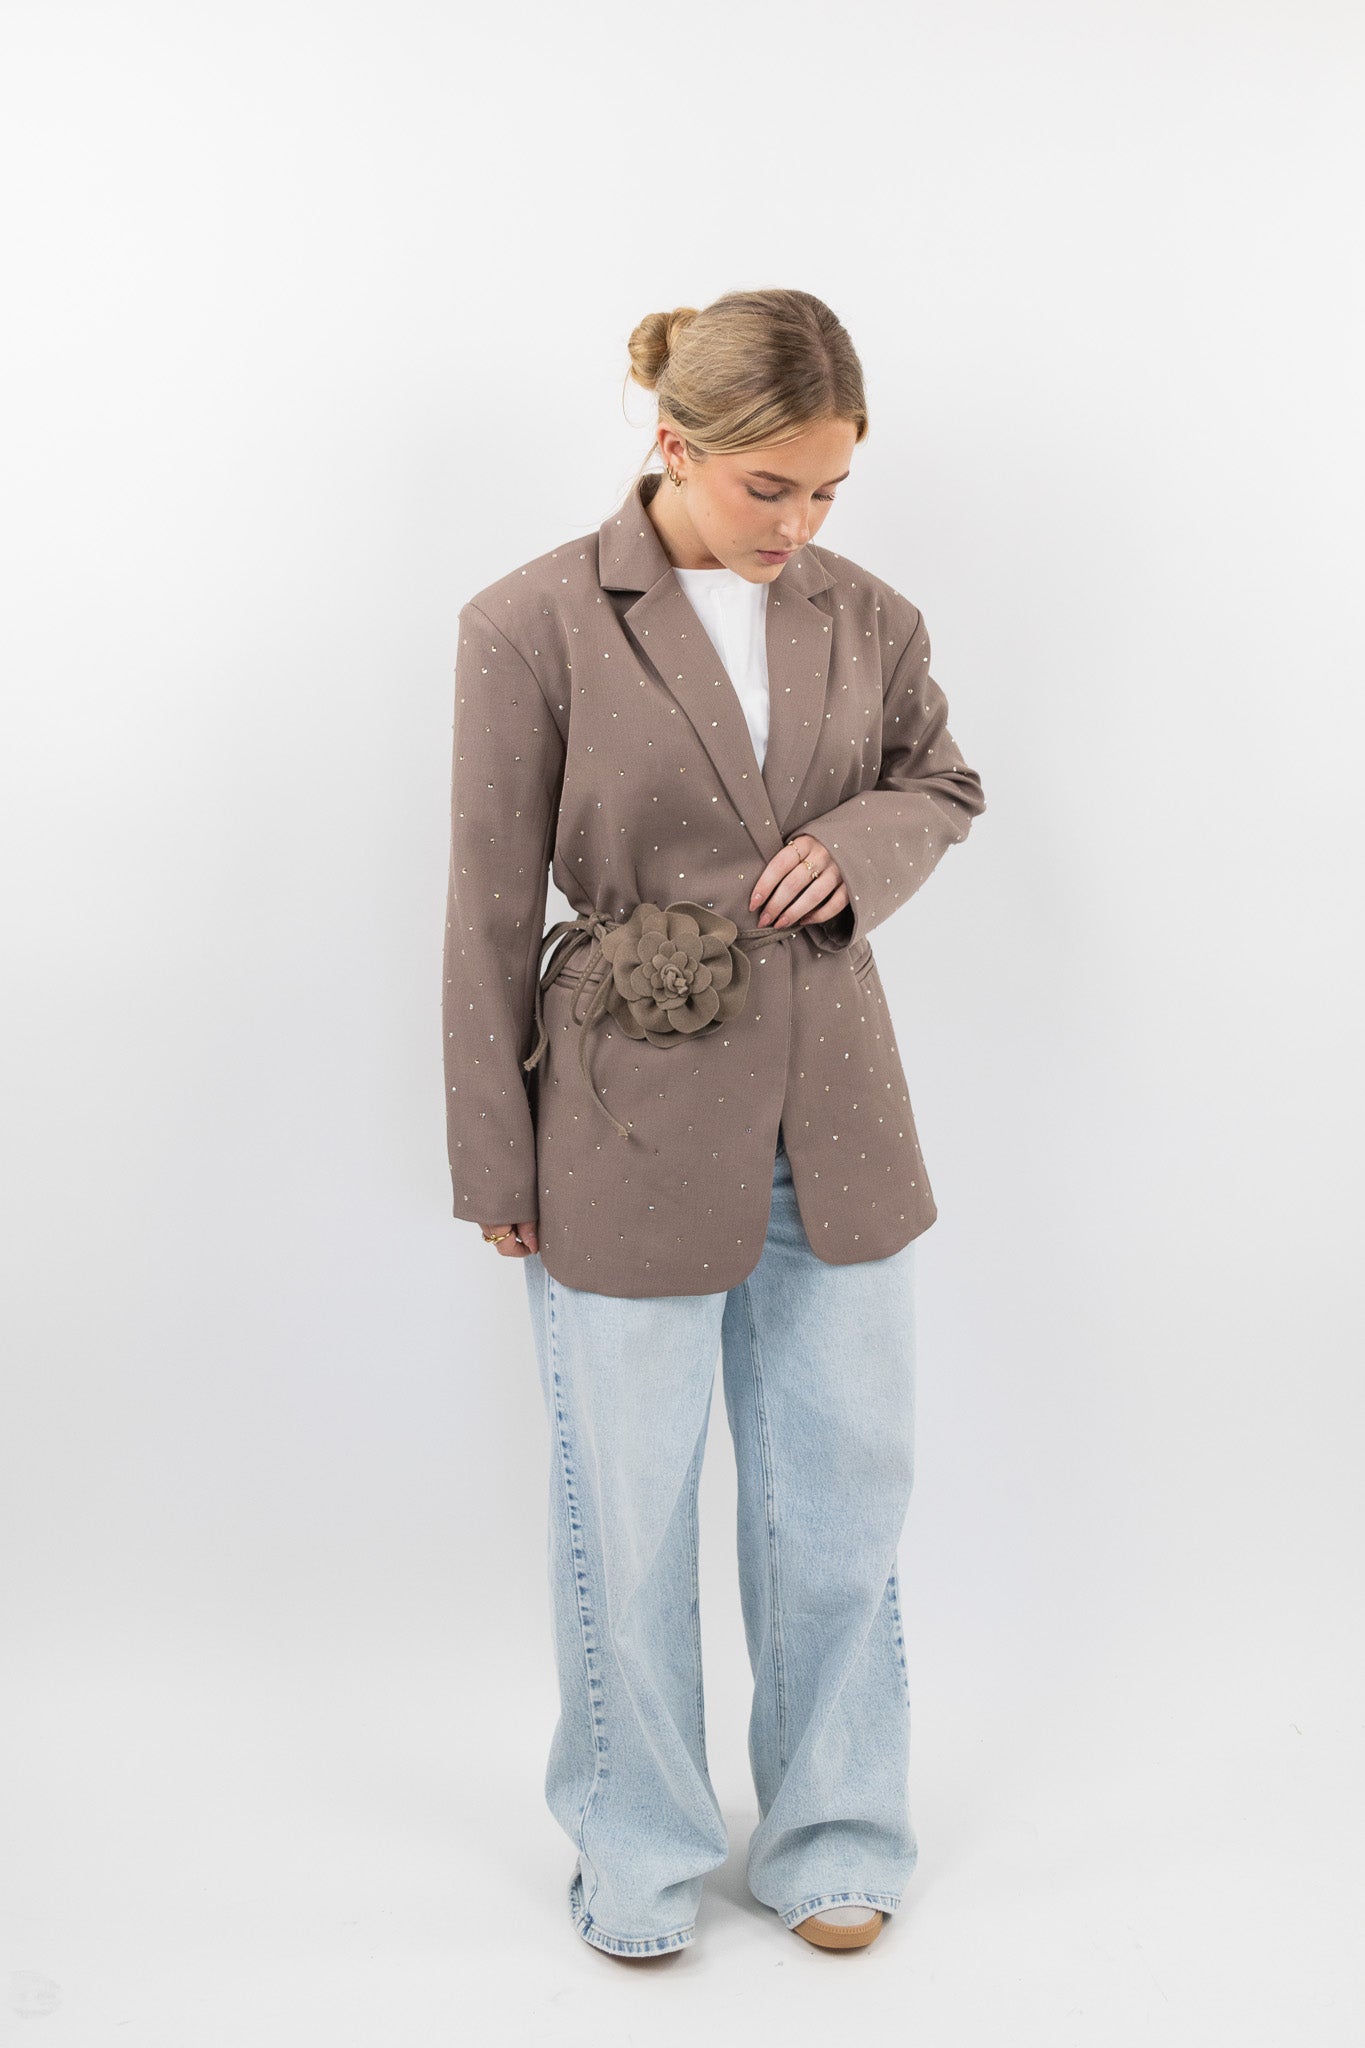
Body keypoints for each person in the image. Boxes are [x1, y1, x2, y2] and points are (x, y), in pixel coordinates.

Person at [442, 287, 986, 1959]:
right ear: (674, 443)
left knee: (841, 1496)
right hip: (618, 1113)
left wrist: (862, 847)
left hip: (837, 1110)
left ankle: (837, 1831)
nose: (798, 524)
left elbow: (941, 781)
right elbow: (484, 903)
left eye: (828, 490)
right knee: (628, 1511)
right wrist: (492, 1157)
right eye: (770, 487)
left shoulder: (865, 614)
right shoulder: (530, 620)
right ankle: (638, 1850)